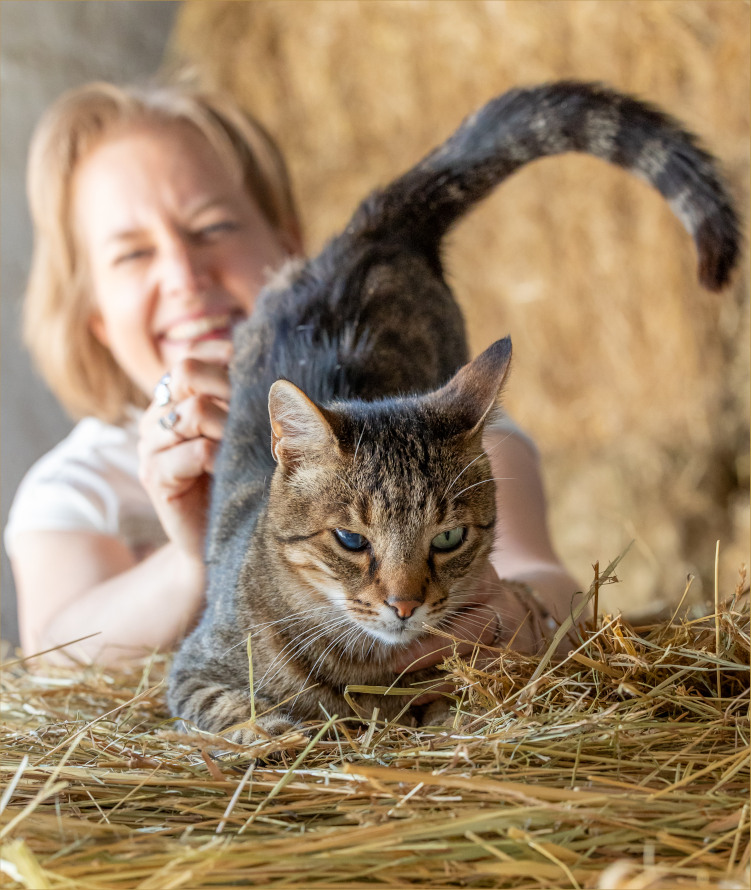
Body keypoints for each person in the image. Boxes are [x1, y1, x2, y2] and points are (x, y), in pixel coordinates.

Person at [5, 79, 579, 669]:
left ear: (289, 249)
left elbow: (549, 579)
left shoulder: (421, 440)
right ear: (93, 314)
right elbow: (52, 656)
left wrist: (525, 611)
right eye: (132, 254)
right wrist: (196, 554)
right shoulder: (77, 486)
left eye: (211, 228)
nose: (183, 275)